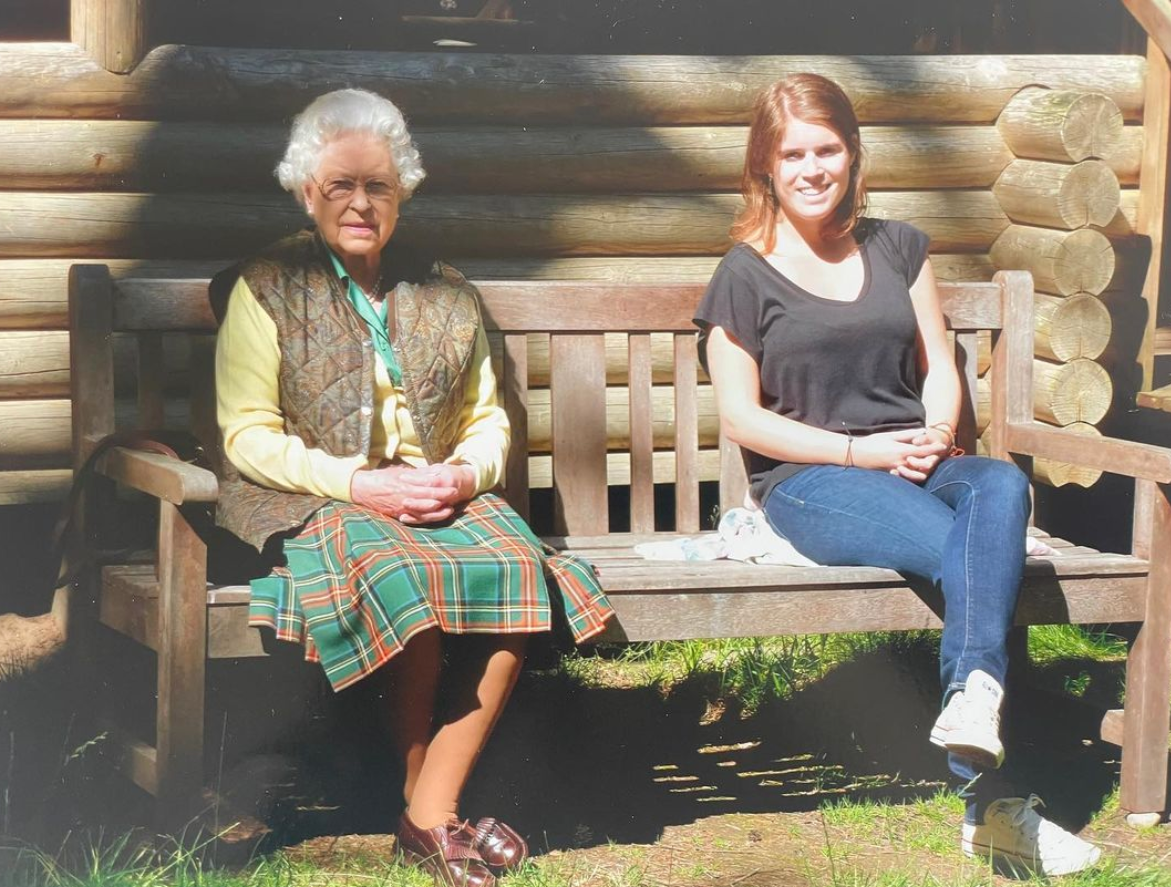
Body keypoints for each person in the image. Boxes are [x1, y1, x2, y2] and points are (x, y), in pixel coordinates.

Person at [694, 73, 1101, 878]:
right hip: (811, 480)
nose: (812, 169)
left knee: (997, 485)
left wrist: (937, 433)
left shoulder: (898, 248)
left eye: (827, 150)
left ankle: (973, 697)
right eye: (792, 155)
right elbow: (741, 419)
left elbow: (938, 364)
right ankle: (992, 806)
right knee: (969, 549)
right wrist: (862, 453)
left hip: (917, 459)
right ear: (764, 166)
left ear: (852, 154)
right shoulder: (742, 274)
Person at [211, 88, 614, 887]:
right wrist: (358, 483)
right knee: (406, 576)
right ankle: (437, 815)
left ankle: (426, 810)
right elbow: (246, 435)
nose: (361, 204)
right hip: (319, 496)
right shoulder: (266, 286)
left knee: (515, 567)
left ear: (402, 193)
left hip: (435, 493)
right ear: (306, 191)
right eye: (340, 186)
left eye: (379, 187)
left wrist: (464, 473)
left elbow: (488, 418)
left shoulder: (444, 291)